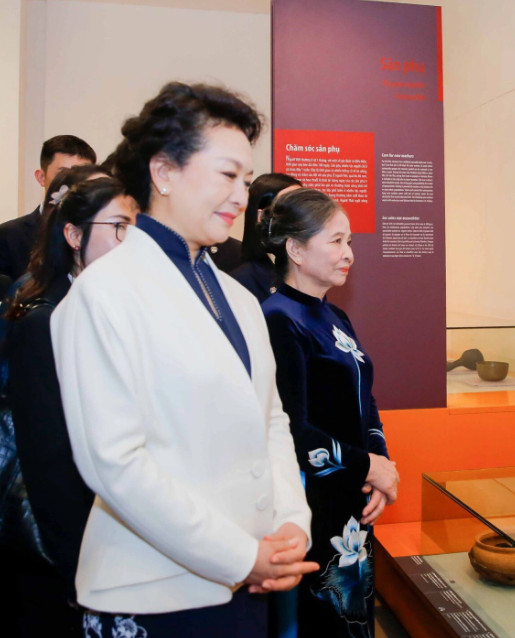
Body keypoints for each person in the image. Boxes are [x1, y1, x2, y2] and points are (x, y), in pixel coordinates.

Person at [50, 82, 316, 637]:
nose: (242, 196)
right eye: (226, 175)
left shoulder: (240, 298)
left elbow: (270, 420)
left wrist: (292, 523)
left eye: (246, 180)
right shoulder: (104, 293)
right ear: (164, 172)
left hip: (251, 580)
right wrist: (239, 555)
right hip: (155, 592)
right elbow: (115, 463)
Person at [261, 188, 399, 638]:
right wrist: (369, 466)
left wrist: (380, 465)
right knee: (324, 623)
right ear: (296, 250)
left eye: (350, 241)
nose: (349, 255)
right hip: (314, 504)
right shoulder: (279, 319)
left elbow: (366, 398)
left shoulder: (335, 315)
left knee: (354, 618)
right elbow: (291, 430)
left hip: (353, 499)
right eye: (336, 242)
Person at [6, 176, 137, 636]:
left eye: (136, 228)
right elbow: (49, 462)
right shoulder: (45, 321)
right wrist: (78, 563)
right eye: (118, 226)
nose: (130, 241)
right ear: (74, 235)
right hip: (73, 546)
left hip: (131, 532)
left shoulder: (129, 313)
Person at [0, 135, 96, 281]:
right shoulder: (9, 236)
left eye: (81, 175)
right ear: (41, 177)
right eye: (62, 172)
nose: (72, 182)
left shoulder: (101, 232)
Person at [231, 173, 302, 303]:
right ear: (262, 217)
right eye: (290, 206)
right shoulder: (241, 281)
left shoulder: (307, 273)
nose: (301, 214)